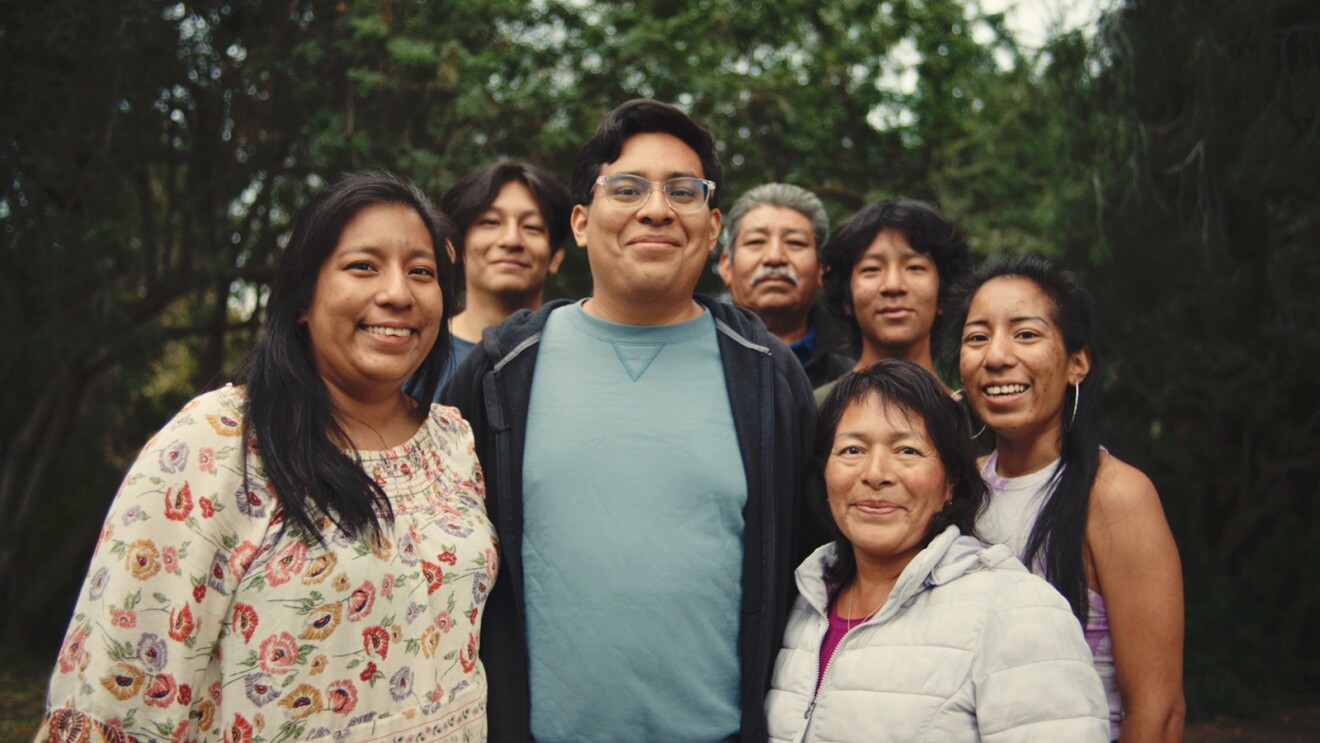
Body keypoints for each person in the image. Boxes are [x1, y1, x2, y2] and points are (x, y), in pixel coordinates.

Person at [37, 173, 497, 742]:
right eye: (363, 266)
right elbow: (119, 687)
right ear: (303, 299)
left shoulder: (454, 441)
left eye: (421, 272)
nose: (399, 293)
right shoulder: (220, 440)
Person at [442, 99, 816, 742]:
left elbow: (811, 560)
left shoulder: (767, 374)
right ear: (582, 223)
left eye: (683, 191)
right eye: (628, 188)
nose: (656, 209)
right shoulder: (504, 370)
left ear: (711, 224)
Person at [766, 360, 1110, 742]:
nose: (876, 473)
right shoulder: (804, 604)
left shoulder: (1015, 610)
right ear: (824, 474)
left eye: (907, 450)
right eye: (852, 449)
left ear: (951, 482)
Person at [951, 255, 1185, 741]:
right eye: (977, 336)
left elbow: (1157, 712)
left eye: (1026, 334)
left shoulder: (1116, 496)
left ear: (1077, 363)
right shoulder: (958, 490)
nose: (996, 356)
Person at [815, 199, 970, 404]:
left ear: (943, 296)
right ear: (847, 299)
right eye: (872, 269)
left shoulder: (976, 421)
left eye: (915, 267)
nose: (893, 285)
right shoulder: (815, 412)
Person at [436, 161, 571, 388]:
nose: (511, 240)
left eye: (532, 227)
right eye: (491, 222)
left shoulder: (577, 354)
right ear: (454, 249)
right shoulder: (417, 352)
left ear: (555, 257)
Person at [717, 183, 855, 387]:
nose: (775, 257)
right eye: (756, 241)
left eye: (795, 243)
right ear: (726, 266)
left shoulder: (857, 369)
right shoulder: (692, 356)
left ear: (821, 269)